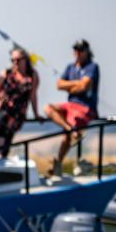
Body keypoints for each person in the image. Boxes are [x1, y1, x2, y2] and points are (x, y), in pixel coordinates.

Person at [43, 39, 100, 176]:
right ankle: (72, 131)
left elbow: (85, 85)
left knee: (71, 124)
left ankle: (58, 163)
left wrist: (72, 85)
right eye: (75, 50)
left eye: (80, 50)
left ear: (87, 52)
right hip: (70, 105)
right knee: (48, 108)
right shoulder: (70, 67)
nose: (77, 53)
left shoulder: (92, 67)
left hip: (85, 107)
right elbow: (59, 84)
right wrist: (76, 84)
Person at [0, 48, 41, 159]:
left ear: (25, 60)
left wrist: (36, 114)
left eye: (18, 60)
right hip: (3, 108)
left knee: (9, 132)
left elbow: (33, 95)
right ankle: (0, 152)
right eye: (13, 60)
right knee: (1, 121)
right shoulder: (7, 72)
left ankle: (2, 154)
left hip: (18, 112)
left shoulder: (32, 75)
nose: (15, 63)